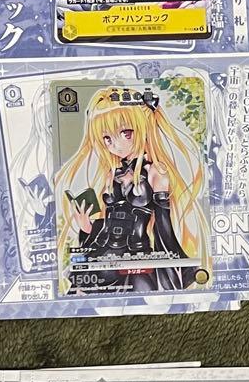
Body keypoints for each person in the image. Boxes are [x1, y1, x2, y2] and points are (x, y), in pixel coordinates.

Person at [55, 86, 208, 293]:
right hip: (103, 253)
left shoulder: (155, 172)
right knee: (80, 293)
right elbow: (110, 221)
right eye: (107, 138)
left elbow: (163, 224)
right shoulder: (112, 174)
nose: (114, 145)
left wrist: (172, 265)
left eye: (125, 133)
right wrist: (88, 227)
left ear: (142, 127)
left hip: (137, 258)